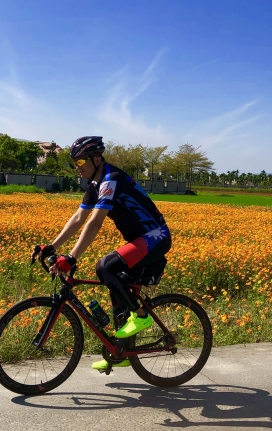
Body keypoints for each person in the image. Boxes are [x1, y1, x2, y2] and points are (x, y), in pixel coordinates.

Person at [31, 136, 172, 372]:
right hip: (140, 240)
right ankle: (120, 351)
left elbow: (95, 223)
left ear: (97, 159)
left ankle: (141, 315)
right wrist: (52, 247)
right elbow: (78, 219)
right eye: (75, 163)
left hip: (156, 236)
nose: (78, 167)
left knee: (105, 267)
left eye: (81, 161)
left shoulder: (110, 179)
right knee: (116, 287)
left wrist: (72, 257)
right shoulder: (95, 185)